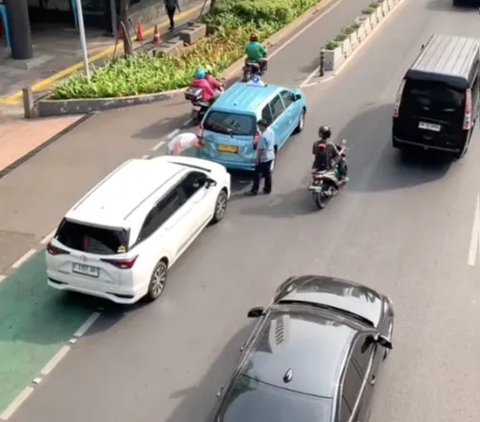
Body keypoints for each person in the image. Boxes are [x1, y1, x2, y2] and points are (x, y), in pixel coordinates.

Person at [246, 120, 275, 195]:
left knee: (257, 174)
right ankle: (267, 188)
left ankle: (254, 190)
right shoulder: (271, 131)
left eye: (259, 126)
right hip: (270, 155)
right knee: (267, 173)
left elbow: (261, 150)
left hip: (264, 158)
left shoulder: (263, 136)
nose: (258, 128)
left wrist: (257, 159)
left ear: (263, 126)